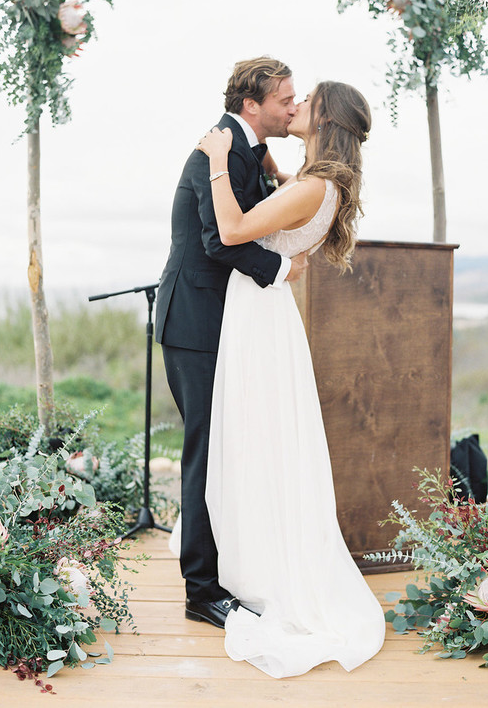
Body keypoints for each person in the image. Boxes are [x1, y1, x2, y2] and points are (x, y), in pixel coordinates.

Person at [197, 80, 386, 678]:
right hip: (267, 313)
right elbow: (284, 217)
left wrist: (218, 161)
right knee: (266, 440)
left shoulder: (310, 188)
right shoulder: (315, 184)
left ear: (325, 117)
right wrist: (270, 162)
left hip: (259, 316)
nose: (297, 104)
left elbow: (232, 230)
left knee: (255, 437)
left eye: (308, 101)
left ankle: (262, 569)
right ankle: (259, 553)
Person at [155, 57, 308, 629]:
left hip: (224, 323)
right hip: (195, 324)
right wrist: (279, 267)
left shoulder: (244, 150)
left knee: (225, 450)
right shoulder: (214, 153)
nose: (293, 107)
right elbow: (219, 242)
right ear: (252, 106)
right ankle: (201, 591)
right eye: (284, 99)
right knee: (205, 453)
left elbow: (258, 202)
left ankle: (227, 569)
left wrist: (277, 171)